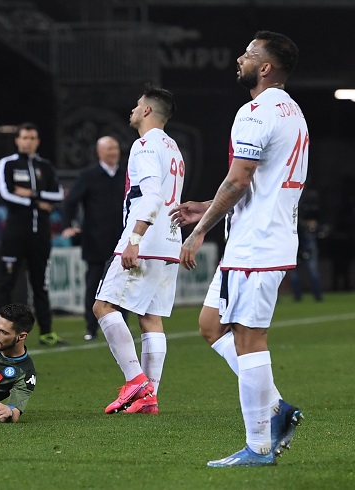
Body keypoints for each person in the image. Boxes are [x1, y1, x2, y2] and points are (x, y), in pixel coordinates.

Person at [169, 31, 306, 467]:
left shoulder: (254, 111)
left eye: (248, 54)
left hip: (258, 244)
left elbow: (240, 178)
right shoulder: (293, 111)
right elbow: (257, 183)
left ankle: (259, 446)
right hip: (258, 239)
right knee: (211, 324)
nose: (239, 58)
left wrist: (200, 229)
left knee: (249, 338)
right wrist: (208, 206)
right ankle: (277, 407)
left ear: (264, 67)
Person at [93, 86, 184, 416]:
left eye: (136, 105)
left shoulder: (144, 146)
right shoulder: (174, 149)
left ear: (147, 111)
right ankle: (150, 396)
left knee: (103, 306)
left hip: (144, 240)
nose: (132, 109)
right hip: (170, 242)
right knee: (150, 318)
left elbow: (152, 197)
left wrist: (134, 238)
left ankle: (136, 382)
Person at [0, 123, 65, 346]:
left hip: (40, 235)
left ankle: (46, 332)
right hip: (15, 233)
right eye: (24, 137)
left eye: (32, 137)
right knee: (7, 282)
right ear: (17, 140)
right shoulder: (8, 163)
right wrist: (38, 202)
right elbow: (6, 193)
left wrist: (32, 194)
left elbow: (59, 194)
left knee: (40, 284)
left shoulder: (46, 166)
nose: (28, 141)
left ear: (38, 141)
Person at [61, 136, 127, 341]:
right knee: (94, 286)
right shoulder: (89, 175)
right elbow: (70, 202)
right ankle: (92, 327)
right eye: (108, 149)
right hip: (95, 242)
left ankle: (121, 327)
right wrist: (68, 225)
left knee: (122, 287)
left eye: (115, 148)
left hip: (122, 241)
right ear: (99, 152)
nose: (113, 152)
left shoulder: (127, 174)